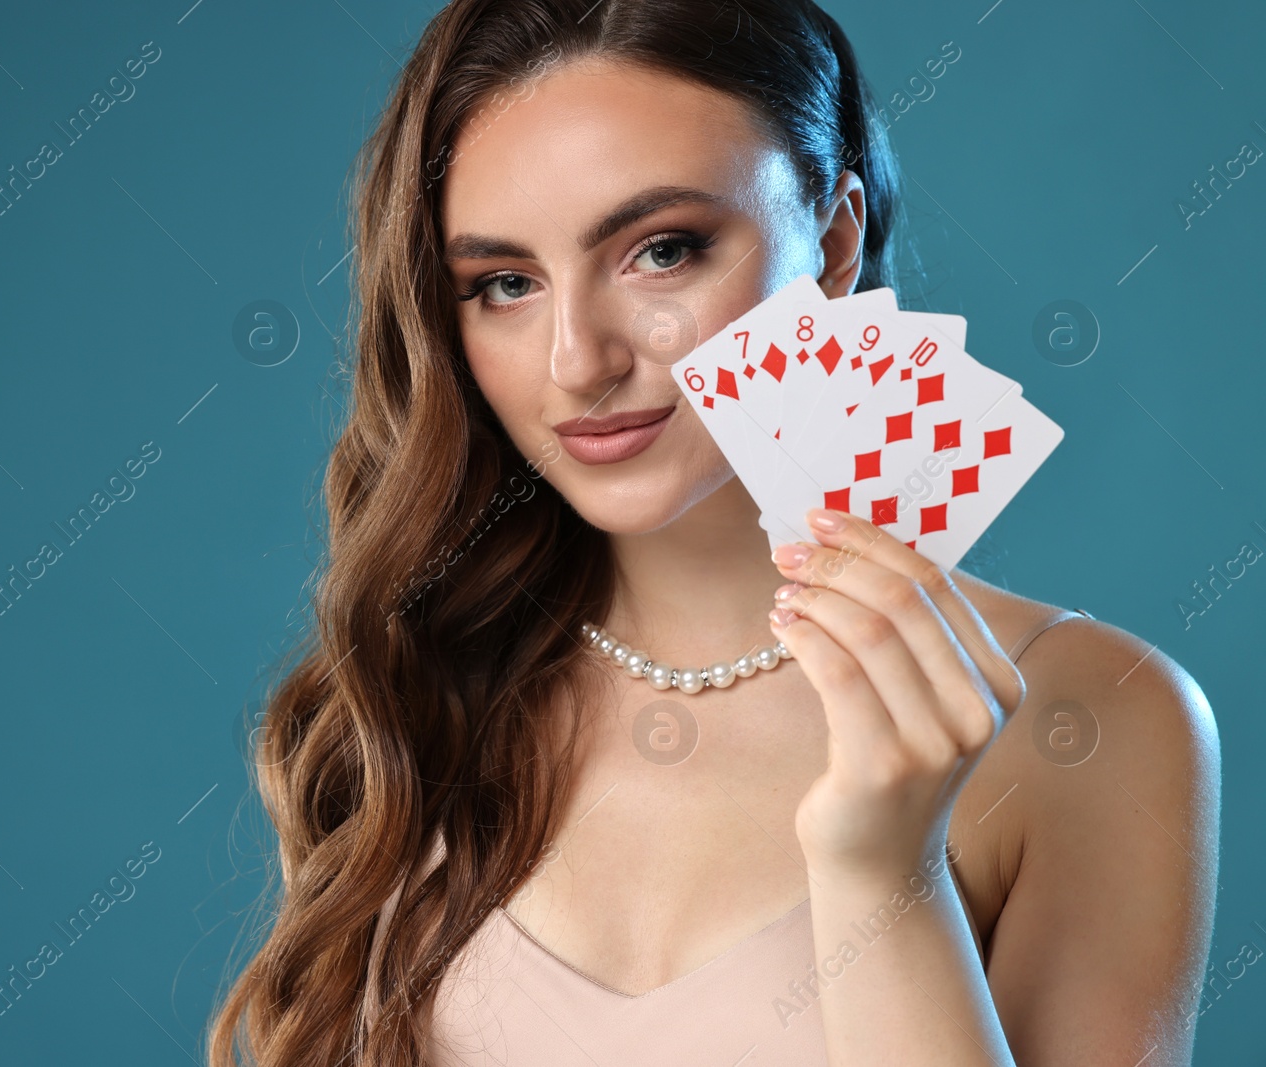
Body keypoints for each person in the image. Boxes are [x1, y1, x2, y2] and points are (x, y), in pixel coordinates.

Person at [208, 2, 1220, 1064]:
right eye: (504, 283)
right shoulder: (419, 684)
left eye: (661, 251)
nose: (577, 361)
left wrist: (882, 870)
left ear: (831, 242)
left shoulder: (1095, 717)